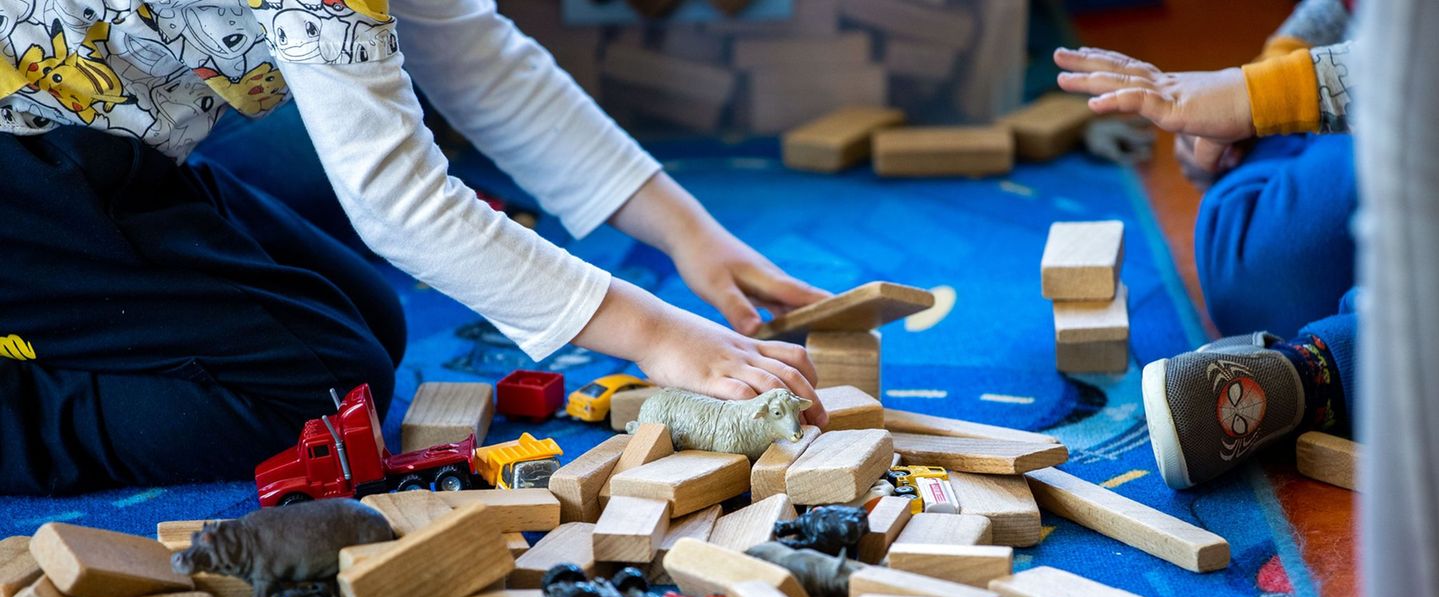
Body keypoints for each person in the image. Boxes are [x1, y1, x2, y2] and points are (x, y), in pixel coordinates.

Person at [0, 0, 828, 495]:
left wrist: (688, 230)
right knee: (319, 388)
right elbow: (397, 201)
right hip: (29, 173)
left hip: (105, 147)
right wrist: (652, 333)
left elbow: (486, 69)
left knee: (367, 322)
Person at [1052, 0, 1358, 489]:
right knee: (1252, 273)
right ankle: (1279, 148)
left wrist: (1257, 97)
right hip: (1386, 119)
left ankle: (1316, 375)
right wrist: (1259, 101)